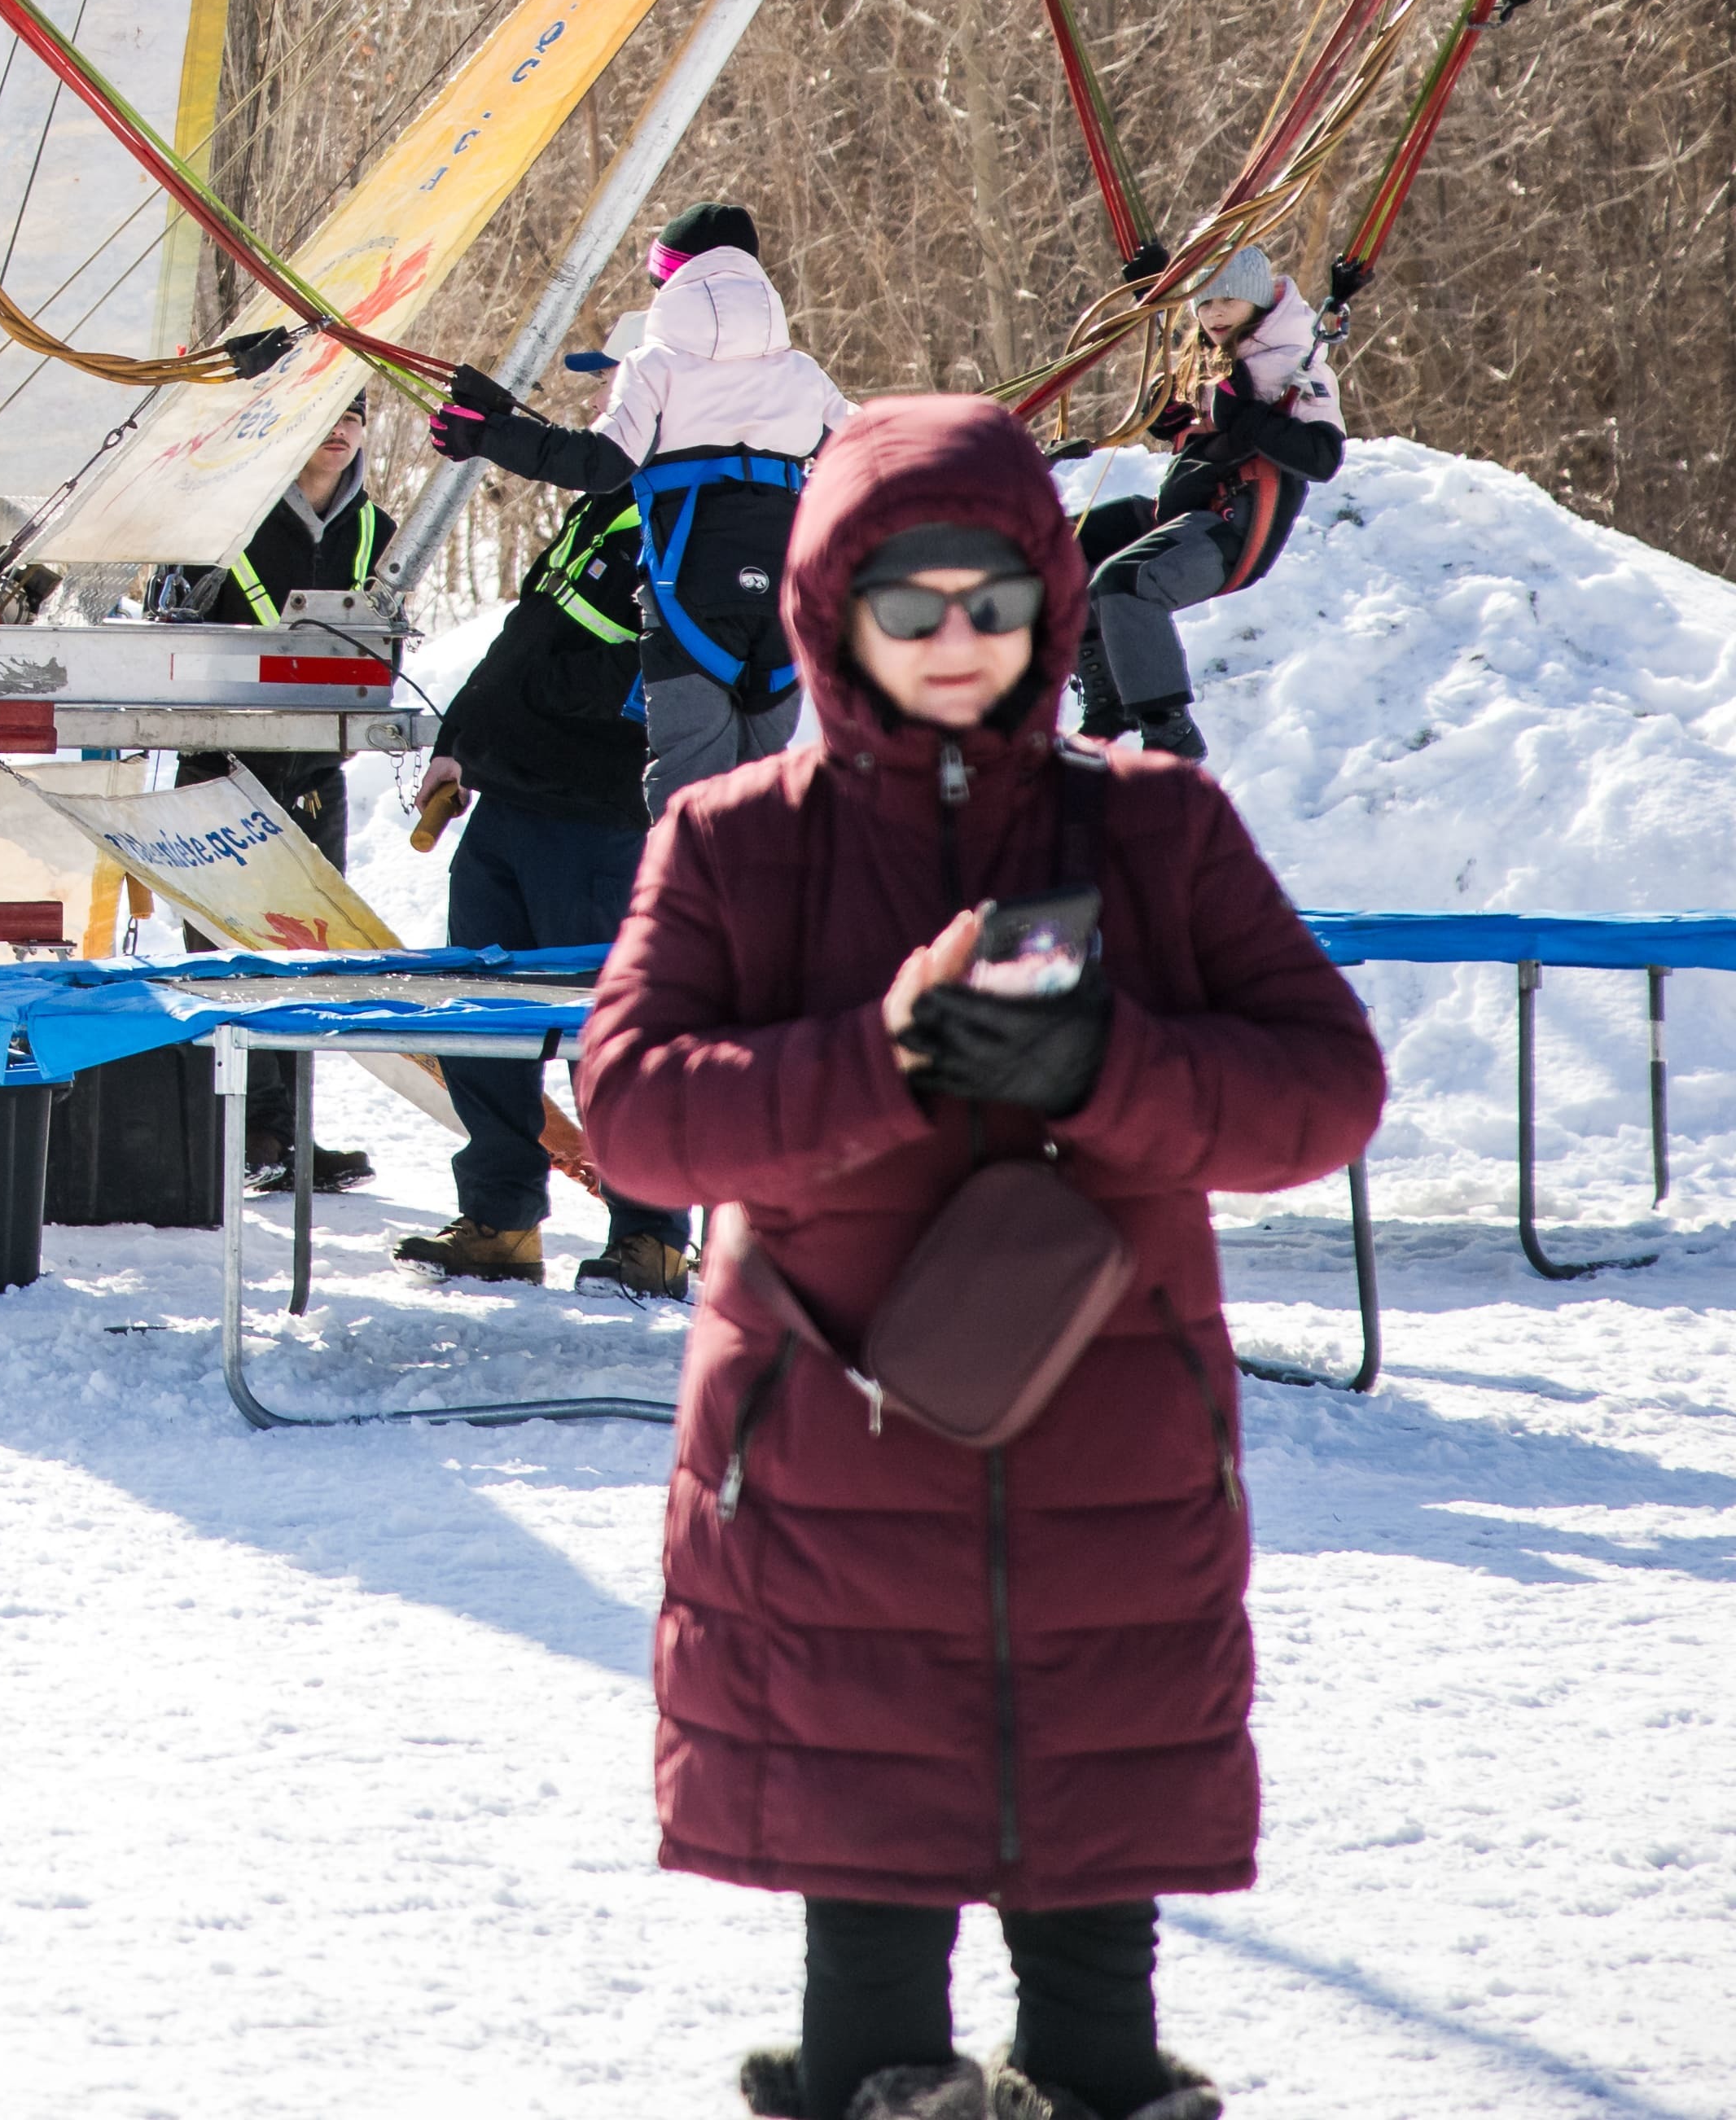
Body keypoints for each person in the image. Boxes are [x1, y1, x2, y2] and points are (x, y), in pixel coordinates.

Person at [580, 392, 1384, 2120]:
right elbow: (632, 1110)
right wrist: (876, 1059)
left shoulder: (1154, 825)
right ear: (829, 608)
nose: (956, 641)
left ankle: (1094, 2073)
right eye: (908, 601)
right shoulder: (735, 838)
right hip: (829, 1437)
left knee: (1097, 1861)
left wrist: (1111, 1069)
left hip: (1106, 1429)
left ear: (1046, 602)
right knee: (864, 1888)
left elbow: (1326, 1089)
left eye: (992, 601)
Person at [433, 203, 852, 806]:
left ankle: (688, 896)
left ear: (672, 281)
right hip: (784, 612)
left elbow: (599, 465)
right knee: (764, 798)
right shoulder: (803, 374)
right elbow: (870, 453)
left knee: (690, 799)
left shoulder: (653, 367)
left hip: (690, 604)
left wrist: (489, 434)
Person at [393, 487, 693, 1299]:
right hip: (507, 808)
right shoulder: (605, 508)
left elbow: (665, 663)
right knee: (480, 1019)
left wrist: (525, 701)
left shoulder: (701, 513)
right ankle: (499, 1221)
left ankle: (649, 1236)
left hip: (598, 817)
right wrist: (462, 738)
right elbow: (523, 635)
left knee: (611, 1028)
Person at [161, 401, 397, 1197]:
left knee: (306, 953)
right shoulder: (231, 514)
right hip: (222, 762)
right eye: (325, 413)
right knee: (225, 955)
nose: (338, 430)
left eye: (355, 416)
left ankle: (284, 1133)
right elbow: (172, 626)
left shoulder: (374, 529)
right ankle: (222, 1131)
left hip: (311, 770)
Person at [1071, 250, 1343, 765]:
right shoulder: (1208, 353)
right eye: (1206, 302)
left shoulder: (1290, 359)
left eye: (1229, 301)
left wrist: (1244, 418)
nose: (1216, 313)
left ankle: (1169, 734)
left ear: (1257, 301)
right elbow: (1184, 424)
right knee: (1061, 544)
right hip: (1178, 510)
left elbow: (1322, 457)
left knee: (1126, 583)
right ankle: (1108, 697)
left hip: (1234, 527)